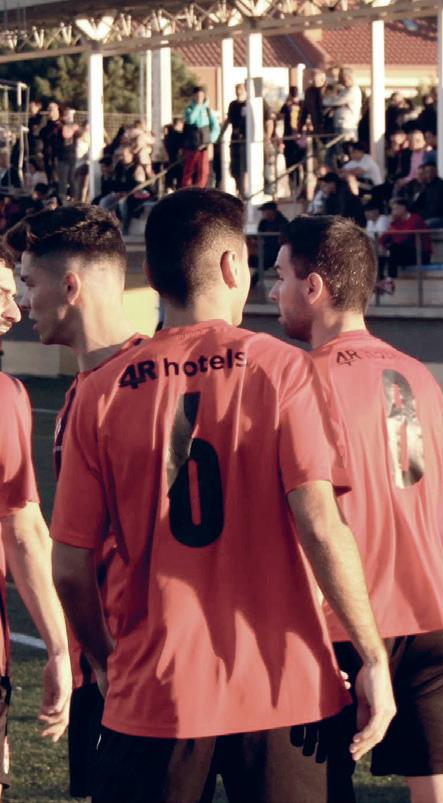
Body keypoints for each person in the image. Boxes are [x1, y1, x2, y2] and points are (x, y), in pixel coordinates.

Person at [50, 188, 396, 802]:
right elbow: (321, 524)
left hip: (153, 690)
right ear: (233, 265)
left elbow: (70, 567)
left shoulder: (100, 392)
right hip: (283, 686)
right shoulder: (284, 368)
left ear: (152, 276)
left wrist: (105, 662)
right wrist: (372, 655)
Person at [271, 215, 443, 803]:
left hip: (339, 629)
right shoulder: (417, 375)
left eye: (281, 276)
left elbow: (307, 522)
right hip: (434, 622)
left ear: (314, 287)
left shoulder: (298, 382)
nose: (273, 290)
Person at [7, 205, 142, 799]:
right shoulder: (77, 394)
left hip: (141, 662)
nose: (20, 303)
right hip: (105, 660)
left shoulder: (148, 384)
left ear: (69, 286)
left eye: (26, 283)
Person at [0, 241, 74, 794]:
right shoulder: (4, 397)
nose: (14, 310)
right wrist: (60, 647)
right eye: (2, 294)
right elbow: (22, 531)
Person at [181, 86, 220, 188]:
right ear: (193, 96)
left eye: (201, 96)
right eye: (197, 96)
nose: (199, 98)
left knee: (203, 171)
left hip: (204, 146)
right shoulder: (189, 110)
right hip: (191, 146)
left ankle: (201, 189)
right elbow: (191, 120)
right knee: (189, 170)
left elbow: (216, 127)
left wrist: (210, 139)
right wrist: (198, 107)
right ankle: (188, 190)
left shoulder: (208, 111)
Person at [408, 155, 443, 228]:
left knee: (423, 225)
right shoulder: (427, 187)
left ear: (436, 172)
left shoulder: (441, 186)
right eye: (427, 172)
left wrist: (421, 216)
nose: (429, 174)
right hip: (431, 216)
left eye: (431, 171)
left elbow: (437, 208)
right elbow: (418, 204)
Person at [221, 83, 248, 198]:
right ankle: (239, 189)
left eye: (240, 90)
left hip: (245, 140)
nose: (238, 92)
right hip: (235, 140)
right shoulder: (233, 105)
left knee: (243, 167)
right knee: (235, 167)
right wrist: (221, 134)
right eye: (237, 90)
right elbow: (228, 120)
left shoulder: (248, 104)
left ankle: (243, 190)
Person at [255, 200, 289, 274]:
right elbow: (259, 236)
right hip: (264, 252)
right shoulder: (263, 223)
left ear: (271, 211)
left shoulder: (282, 222)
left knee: (263, 263)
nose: (263, 213)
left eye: (264, 211)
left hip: (277, 253)